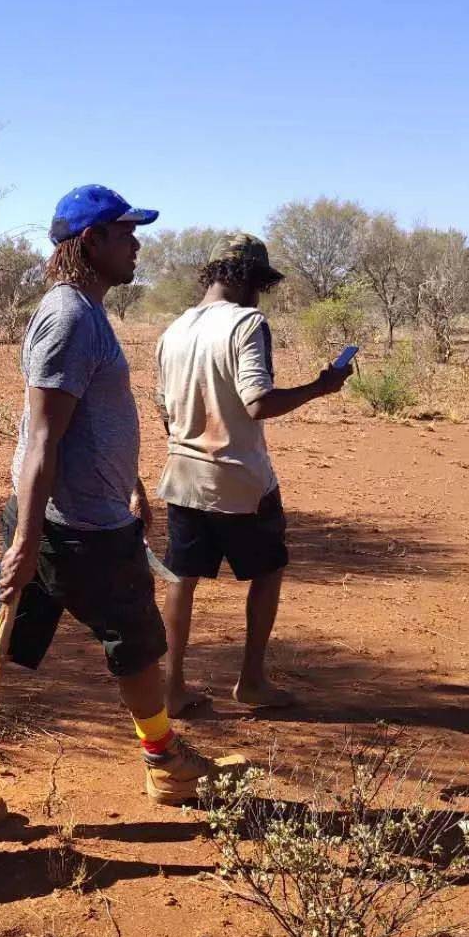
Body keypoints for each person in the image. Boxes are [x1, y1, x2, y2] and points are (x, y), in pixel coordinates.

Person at [0, 186, 248, 805]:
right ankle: (165, 766)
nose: (136, 244)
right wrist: (26, 541)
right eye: (126, 233)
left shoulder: (80, 311)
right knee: (135, 646)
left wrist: (124, 479)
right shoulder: (70, 318)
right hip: (77, 531)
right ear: (93, 241)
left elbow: (81, 422)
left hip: (69, 518)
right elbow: (42, 438)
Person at [154, 232, 353, 716]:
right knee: (268, 571)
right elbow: (258, 401)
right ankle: (251, 680)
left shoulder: (173, 330)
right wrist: (319, 388)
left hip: (182, 476)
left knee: (181, 579)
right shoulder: (247, 324)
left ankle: (172, 686)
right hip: (239, 480)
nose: (260, 294)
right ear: (246, 279)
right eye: (260, 283)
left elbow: (164, 410)